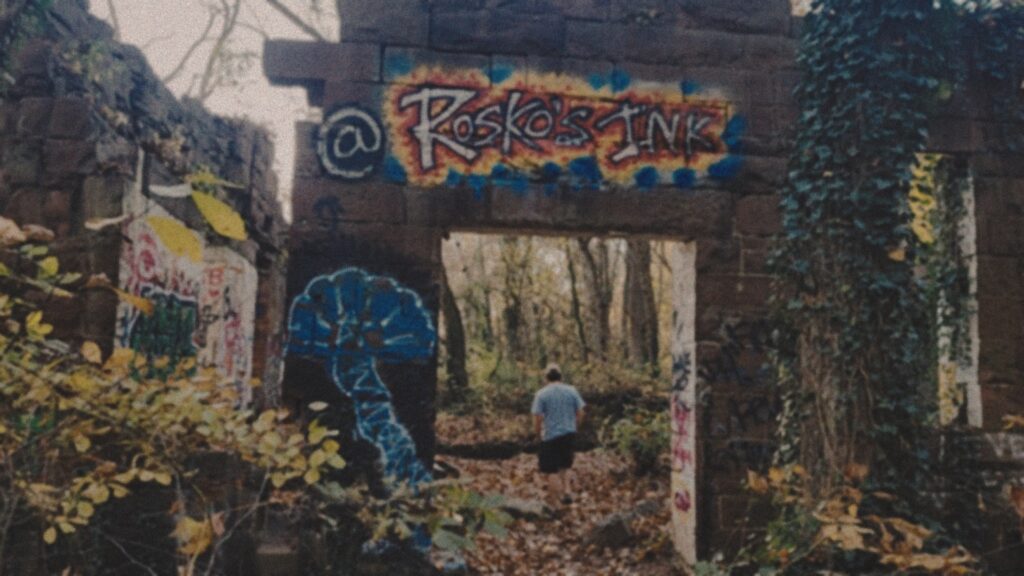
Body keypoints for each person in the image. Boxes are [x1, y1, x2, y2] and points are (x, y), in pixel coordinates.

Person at [531, 363, 585, 505]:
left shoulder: (541, 394)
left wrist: (537, 435)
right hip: (569, 433)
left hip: (550, 435)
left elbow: (537, 417)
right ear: (561, 376)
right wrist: (575, 426)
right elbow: (580, 412)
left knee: (551, 470)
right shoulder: (572, 391)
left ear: (546, 378)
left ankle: (556, 500)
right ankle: (567, 491)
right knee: (565, 465)